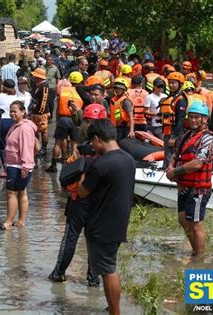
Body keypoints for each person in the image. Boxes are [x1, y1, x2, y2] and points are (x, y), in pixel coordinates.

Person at [78, 119, 135, 315]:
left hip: (101, 225)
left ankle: (115, 312)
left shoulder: (100, 165)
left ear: (96, 139)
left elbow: (82, 192)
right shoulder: (129, 159)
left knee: (108, 271)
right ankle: (112, 307)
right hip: (119, 222)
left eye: (92, 142)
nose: (92, 146)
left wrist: (84, 170)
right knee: (109, 266)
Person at [48, 104, 107, 286]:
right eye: (86, 121)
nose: (87, 125)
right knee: (94, 241)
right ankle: (93, 279)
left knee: (72, 237)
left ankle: (59, 273)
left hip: (80, 200)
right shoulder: (109, 148)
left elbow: (67, 176)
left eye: (89, 122)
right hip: (98, 203)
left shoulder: (84, 149)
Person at [166, 101, 213, 257]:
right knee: (183, 220)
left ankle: (199, 257)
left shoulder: (207, 138)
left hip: (198, 188)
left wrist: (175, 172)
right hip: (184, 185)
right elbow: (176, 154)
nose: (193, 120)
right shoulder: (187, 135)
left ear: (205, 120)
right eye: (191, 117)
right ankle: (194, 249)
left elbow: (197, 163)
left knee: (195, 224)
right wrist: (170, 166)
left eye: (197, 118)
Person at [0, 101, 36, 230]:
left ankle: (8, 222)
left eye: (15, 111)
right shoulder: (16, 125)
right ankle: (21, 221)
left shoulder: (24, 128)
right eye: (10, 111)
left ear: (23, 112)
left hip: (19, 165)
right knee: (22, 192)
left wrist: (26, 166)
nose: (12, 113)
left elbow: (26, 148)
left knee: (11, 193)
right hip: (14, 164)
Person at [46, 71, 84, 173]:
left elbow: (58, 107)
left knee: (58, 142)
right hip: (75, 120)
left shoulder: (62, 91)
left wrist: (58, 120)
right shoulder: (80, 92)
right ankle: (74, 165)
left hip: (63, 119)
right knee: (74, 144)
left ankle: (53, 165)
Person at [159, 72, 187, 168]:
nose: (171, 85)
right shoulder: (171, 97)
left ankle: (171, 173)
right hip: (168, 131)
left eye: (173, 83)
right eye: (169, 83)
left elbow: (180, 119)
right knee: (167, 155)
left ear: (180, 84)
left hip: (175, 133)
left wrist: (174, 136)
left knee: (172, 155)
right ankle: (166, 169)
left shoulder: (180, 99)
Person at [0, 79, 20, 176]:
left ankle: (6, 168)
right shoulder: (17, 97)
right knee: (13, 146)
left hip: (2, 121)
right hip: (14, 122)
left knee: (2, 147)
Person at [29, 68, 50, 156]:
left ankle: (44, 148)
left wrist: (40, 112)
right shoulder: (37, 85)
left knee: (43, 130)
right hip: (35, 111)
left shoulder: (44, 86)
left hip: (41, 112)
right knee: (36, 130)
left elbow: (44, 100)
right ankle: (37, 147)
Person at [42, 55, 61, 120]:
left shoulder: (55, 68)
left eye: (50, 60)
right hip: (43, 87)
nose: (48, 61)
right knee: (44, 102)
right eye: (47, 60)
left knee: (50, 102)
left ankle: (51, 116)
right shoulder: (42, 67)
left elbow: (58, 78)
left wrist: (57, 87)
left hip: (51, 88)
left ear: (52, 61)